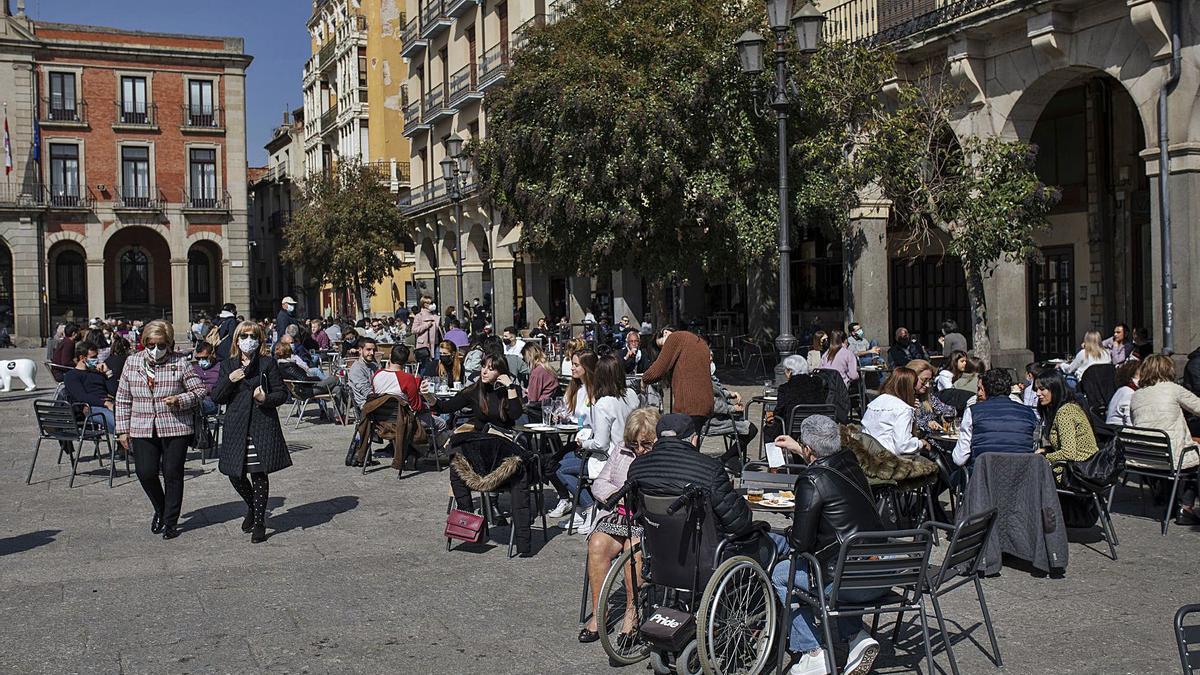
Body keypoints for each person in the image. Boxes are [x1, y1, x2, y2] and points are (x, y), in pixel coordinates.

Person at [771, 415, 886, 675]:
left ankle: (813, 653)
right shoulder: (850, 462)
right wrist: (800, 449)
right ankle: (857, 638)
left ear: (809, 449)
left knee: (782, 574)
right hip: (878, 574)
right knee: (839, 563)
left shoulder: (811, 480)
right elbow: (825, 460)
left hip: (843, 582)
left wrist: (788, 532)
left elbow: (800, 543)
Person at [114, 320, 208, 541]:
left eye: (162, 345)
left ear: (170, 344)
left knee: (172, 472)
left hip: (175, 426)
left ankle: (170, 521)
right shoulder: (132, 362)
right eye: (151, 345)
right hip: (142, 426)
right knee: (145, 472)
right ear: (144, 343)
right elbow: (123, 398)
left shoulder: (181, 363)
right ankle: (161, 508)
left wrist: (180, 400)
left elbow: (200, 391)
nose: (156, 350)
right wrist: (122, 430)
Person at [579, 406, 661, 642]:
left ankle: (631, 614)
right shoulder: (621, 451)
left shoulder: (659, 457)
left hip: (646, 520)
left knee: (633, 549)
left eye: (645, 444)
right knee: (596, 544)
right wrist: (616, 493)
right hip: (618, 513)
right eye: (634, 444)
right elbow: (599, 483)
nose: (639, 450)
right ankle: (599, 612)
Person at [211, 321, 291, 544]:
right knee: (234, 473)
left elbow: (281, 393)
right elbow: (216, 396)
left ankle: (259, 522)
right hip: (236, 426)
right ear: (236, 339)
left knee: (258, 474)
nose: (249, 340)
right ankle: (252, 506)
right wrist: (230, 380)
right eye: (244, 336)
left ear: (260, 339)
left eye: (253, 336)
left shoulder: (267, 363)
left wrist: (265, 399)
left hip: (261, 424)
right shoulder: (228, 365)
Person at [625, 414, 752, 536]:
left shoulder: (637, 467)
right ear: (694, 440)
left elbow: (637, 512)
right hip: (702, 550)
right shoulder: (710, 469)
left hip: (657, 545)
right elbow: (739, 523)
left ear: (657, 440)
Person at [558, 355, 640, 534]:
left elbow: (601, 444)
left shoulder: (603, 404)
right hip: (632, 453)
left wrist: (583, 442)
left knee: (560, 469)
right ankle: (582, 508)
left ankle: (588, 507)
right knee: (565, 459)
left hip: (610, 459)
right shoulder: (631, 395)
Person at [1130, 354, 1200, 524]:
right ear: (1168, 369)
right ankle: (1186, 507)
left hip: (1145, 458)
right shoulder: (1173, 389)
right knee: (1192, 456)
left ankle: (1169, 500)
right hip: (1171, 458)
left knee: (1175, 451)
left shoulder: (1137, 395)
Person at [952, 369, 1039, 467]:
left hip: (982, 477)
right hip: (1021, 476)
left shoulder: (973, 412)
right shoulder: (1028, 413)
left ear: (986, 389)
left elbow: (959, 459)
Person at [425, 352, 523, 430]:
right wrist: (427, 395)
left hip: (503, 437)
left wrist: (510, 388)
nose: (484, 372)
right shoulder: (474, 390)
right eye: (483, 366)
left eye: (490, 369)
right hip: (481, 437)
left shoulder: (511, 390)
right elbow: (445, 407)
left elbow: (515, 415)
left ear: (501, 372)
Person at [641, 326, 714, 430]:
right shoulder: (698, 341)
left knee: (681, 443)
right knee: (692, 442)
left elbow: (658, 370)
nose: (664, 350)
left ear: (665, 333)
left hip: (689, 406)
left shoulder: (675, 338)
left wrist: (644, 379)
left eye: (662, 345)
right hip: (706, 404)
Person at [1034, 369, 1098, 483]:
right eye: (1036, 389)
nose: (1038, 393)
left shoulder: (1065, 412)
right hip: (1081, 467)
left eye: (1042, 389)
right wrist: (1046, 450)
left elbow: (1068, 453)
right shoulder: (1068, 406)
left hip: (1079, 473)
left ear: (1055, 389)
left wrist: (1043, 456)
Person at [861, 367, 928, 456]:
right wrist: (921, 443)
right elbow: (903, 445)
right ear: (909, 387)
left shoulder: (875, 402)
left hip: (867, 454)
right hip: (889, 460)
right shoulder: (903, 409)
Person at [275, 341, 344, 424]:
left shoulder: (283, 364)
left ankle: (338, 416)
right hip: (306, 390)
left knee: (337, 389)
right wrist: (318, 379)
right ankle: (346, 403)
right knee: (335, 379)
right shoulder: (288, 366)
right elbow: (303, 379)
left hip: (303, 389)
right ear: (287, 352)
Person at [766, 354, 828, 438]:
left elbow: (779, 412)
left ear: (789, 371)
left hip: (794, 431)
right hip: (817, 428)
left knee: (768, 430)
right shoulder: (818, 383)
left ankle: (775, 451)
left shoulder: (785, 388)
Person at [63, 340, 118, 432]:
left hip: (109, 404)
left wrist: (108, 373)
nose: (96, 359)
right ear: (82, 358)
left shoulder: (98, 372)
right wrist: (105, 404)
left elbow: (115, 392)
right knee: (118, 423)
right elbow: (82, 396)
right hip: (91, 406)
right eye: (93, 357)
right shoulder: (72, 375)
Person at [347, 336, 381, 411]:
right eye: (368, 350)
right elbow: (366, 392)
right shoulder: (357, 368)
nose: (372, 353)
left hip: (376, 400)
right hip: (366, 405)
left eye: (374, 350)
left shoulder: (374, 365)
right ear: (360, 350)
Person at [1105, 360, 1140, 426]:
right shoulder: (1129, 393)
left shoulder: (1121, 390)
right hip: (1119, 431)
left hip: (1113, 429)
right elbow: (1130, 421)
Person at [191, 342, 222, 415]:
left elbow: (222, 387)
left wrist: (207, 388)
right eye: (198, 358)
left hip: (212, 402)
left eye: (204, 358)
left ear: (212, 355)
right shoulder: (194, 368)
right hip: (196, 399)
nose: (201, 361)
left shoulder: (220, 368)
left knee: (198, 405)